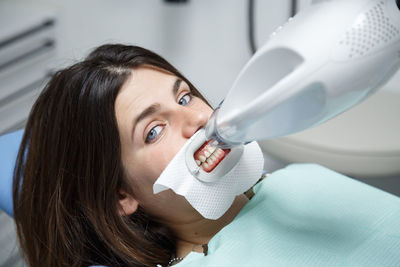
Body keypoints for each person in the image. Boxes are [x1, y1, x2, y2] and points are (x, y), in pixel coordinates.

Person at [13, 44, 400, 267]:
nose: (198, 118)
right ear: (120, 196)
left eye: (184, 97)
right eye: (154, 130)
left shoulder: (303, 177)